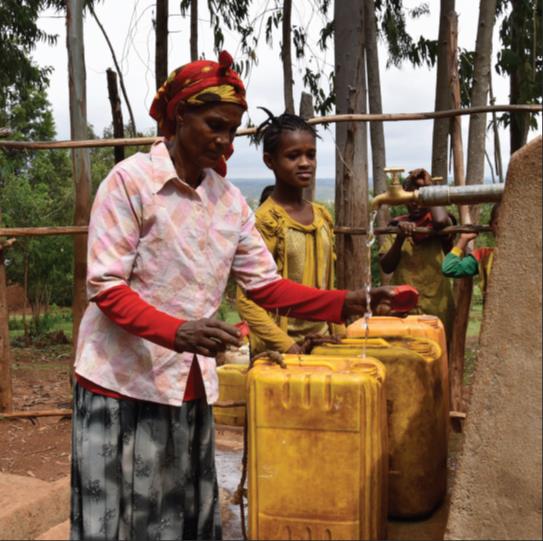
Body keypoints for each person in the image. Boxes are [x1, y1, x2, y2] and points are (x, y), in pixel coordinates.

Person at [70, 50, 395, 541]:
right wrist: (177, 331)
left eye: (232, 130)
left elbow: (264, 284)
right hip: (122, 381)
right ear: (180, 116)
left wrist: (343, 302)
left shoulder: (228, 201)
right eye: (214, 125)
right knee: (122, 521)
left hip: (188, 385)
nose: (224, 140)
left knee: (176, 516)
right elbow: (105, 286)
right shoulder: (131, 183)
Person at [236, 110, 345, 355]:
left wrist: (339, 332)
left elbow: (328, 282)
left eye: (311, 154)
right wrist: (289, 346)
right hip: (280, 353)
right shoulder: (266, 222)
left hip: (323, 344)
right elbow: (246, 300)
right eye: (293, 156)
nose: (305, 162)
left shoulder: (321, 216)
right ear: (270, 161)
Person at [379, 168, 456, 342]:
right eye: (410, 197)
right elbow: (386, 266)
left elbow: (440, 221)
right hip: (404, 309)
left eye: (420, 196)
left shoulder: (439, 222)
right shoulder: (397, 225)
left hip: (437, 306)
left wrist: (429, 188)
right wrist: (400, 239)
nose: (415, 203)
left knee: (439, 356)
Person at [441, 203, 500, 302]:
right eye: (497, 223)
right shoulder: (484, 256)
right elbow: (449, 268)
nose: (503, 226)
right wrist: (463, 240)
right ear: (491, 226)